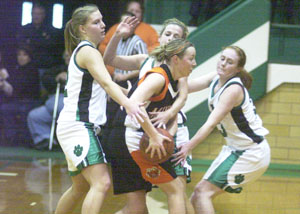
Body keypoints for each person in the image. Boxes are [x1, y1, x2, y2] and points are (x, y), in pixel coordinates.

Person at [54, 5, 145, 214]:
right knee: (102, 182)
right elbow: (107, 84)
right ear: (82, 29)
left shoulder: (88, 52)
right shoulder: (87, 50)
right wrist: (129, 104)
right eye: (96, 22)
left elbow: (105, 85)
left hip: (75, 126)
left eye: (102, 20)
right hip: (78, 126)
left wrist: (133, 96)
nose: (103, 25)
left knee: (81, 187)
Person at [103, 18, 194, 214]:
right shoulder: (153, 67)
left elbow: (183, 97)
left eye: (176, 36)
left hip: (143, 131)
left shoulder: (178, 72)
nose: (170, 39)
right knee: (171, 192)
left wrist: (168, 117)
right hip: (130, 130)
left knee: (138, 207)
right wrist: (118, 35)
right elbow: (109, 61)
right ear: (160, 37)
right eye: (167, 34)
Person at [174, 46, 271, 214]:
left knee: (202, 194)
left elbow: (210, 124)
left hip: (251, 151)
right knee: (197, 196)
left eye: (230, 62)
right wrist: (163, 78)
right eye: (222, 58)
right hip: (236, 148)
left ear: (238, 69)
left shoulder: (233, 89)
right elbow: (186, 87)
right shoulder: (216, 77)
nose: (223, 63)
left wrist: (189, 146)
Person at [101, 11, 148, 159]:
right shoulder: (118, 41)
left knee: (121, 119)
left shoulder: (138, 42)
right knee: (110, 118)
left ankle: (123, 153)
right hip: (117, 81)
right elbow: (109, 59)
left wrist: (126, 75)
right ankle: (107, 154)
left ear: (134, 26)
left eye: (128, 23)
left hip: (131, 82)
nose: (125, 27)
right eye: (122, 23)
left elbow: (145, 68)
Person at [99, 0, 159, 75]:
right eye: (131, 11)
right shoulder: (117, 33)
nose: (134, 14)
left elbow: (147, 60)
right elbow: (104, 50)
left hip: (133, 75)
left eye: (137, 11)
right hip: (114, 73)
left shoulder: (142, 37)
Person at [27, 51, 70, 150]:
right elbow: (46, 78)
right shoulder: (59, 68)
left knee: (58, 105)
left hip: (73, 102)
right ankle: (45, 140)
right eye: (67, 55)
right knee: (34, 116)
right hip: (54, 100)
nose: (68, 57)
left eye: (72, 55)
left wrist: (70, 76)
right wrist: (57, 77)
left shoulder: (84, 69)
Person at [0, 44, 41, 146]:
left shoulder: (33, 69)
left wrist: (7, 82)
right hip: (18, 101)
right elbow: (12, 88)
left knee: (24, 110)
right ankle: (12, 138)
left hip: (32, 101)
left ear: (29, 57)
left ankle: (25, 140)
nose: (21, 57)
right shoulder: (16, 69)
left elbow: (21, 87)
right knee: (5, 108)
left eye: (24, 55)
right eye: (19, 55)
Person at [16, 2, 64, 85]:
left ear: (44, 15)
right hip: (28, 69)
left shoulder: (51, 31)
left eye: (39, 14)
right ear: (31, 14)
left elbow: (53, 48)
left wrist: (34, 42)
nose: (36, 16)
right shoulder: (25, 29)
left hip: (44, 68)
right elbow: (22, 47)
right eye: (34, 13)